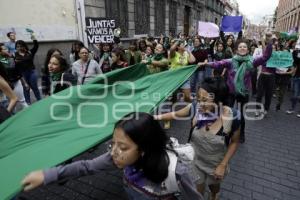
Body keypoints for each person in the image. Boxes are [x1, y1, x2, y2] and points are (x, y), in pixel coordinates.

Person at [21, 112, 204, 200]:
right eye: (113, 143)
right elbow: (86, 166)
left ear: (144, 149)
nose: (113, 152)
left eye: (123, 147)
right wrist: (48, 175)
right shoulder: (116, 157)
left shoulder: (176, 172)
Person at [154, 78, 240, 200]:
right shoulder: (195, 107)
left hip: (215, 164)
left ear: (219, 100)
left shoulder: (233, 116)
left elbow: (235, 142)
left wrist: (223, 165)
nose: (200, 103)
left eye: (205, 100)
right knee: (196, 193)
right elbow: (175, 114)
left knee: (214, 189)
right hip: (195, 161)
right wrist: (154, 117)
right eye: (198, 98)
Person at [198, 33, 273, 143]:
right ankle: (225, 133)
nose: (242, 48)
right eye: (240, 47)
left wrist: (269, 42)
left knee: (241, 115)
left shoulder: (253, 61)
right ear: (237, 49)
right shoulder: (230, 61)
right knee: (228, 114)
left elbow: (266, 56)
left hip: (244, 93)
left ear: (247, 49)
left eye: (244, 47)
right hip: (231, 92)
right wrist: (205, 64)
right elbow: (218, 64)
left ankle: (241, 133)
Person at [14, 34, 41, 105]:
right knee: (26, 88)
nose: (19, 48)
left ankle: (40, 101)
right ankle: (28, 103)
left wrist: (33, 38)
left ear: (24, 46)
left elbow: (36, 46)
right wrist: (21, 78)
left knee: (34, 87)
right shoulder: (15, 55)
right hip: (23, 74)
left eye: (21, 46)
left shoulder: (29, 52)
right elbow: (17, 68)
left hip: (32, 72)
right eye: (17, 46)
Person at [286, 44, 300, 117]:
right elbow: (295, 59)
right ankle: (292, 108)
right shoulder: (297, 55)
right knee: (295, 95)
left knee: (297, 95)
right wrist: (295, 50)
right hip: (297, 77)